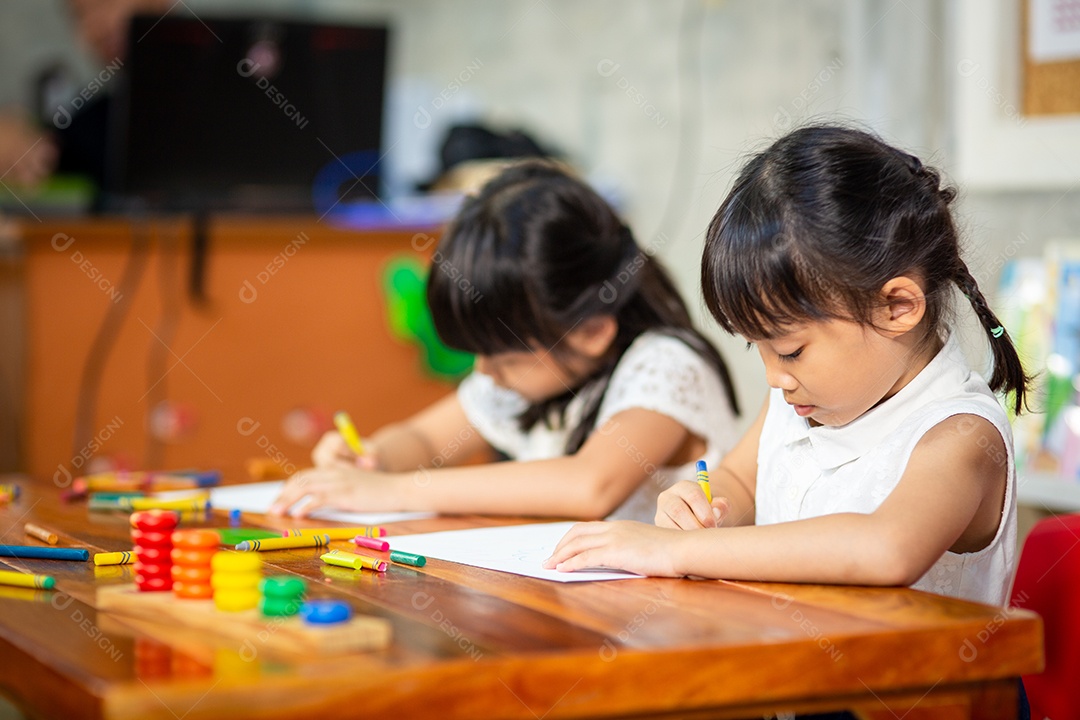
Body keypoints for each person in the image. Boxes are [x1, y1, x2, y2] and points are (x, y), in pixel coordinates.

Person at [546, 125, 1030, 610]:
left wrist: (679, 549)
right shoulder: (800, 399)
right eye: (756, 347)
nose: (774, 378)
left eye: (791, 350)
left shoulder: (962, 435)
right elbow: (735, 480)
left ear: (898, 307)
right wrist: (699, 500)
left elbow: (886, 548)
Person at [270, 160, 740, 521]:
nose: (483, 372)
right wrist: (369, 459)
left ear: (592, 331)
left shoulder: (666, 365)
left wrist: (393, 492)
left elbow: (590, 485)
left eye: (503, 357)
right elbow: (424, 441)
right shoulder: (529, 377)